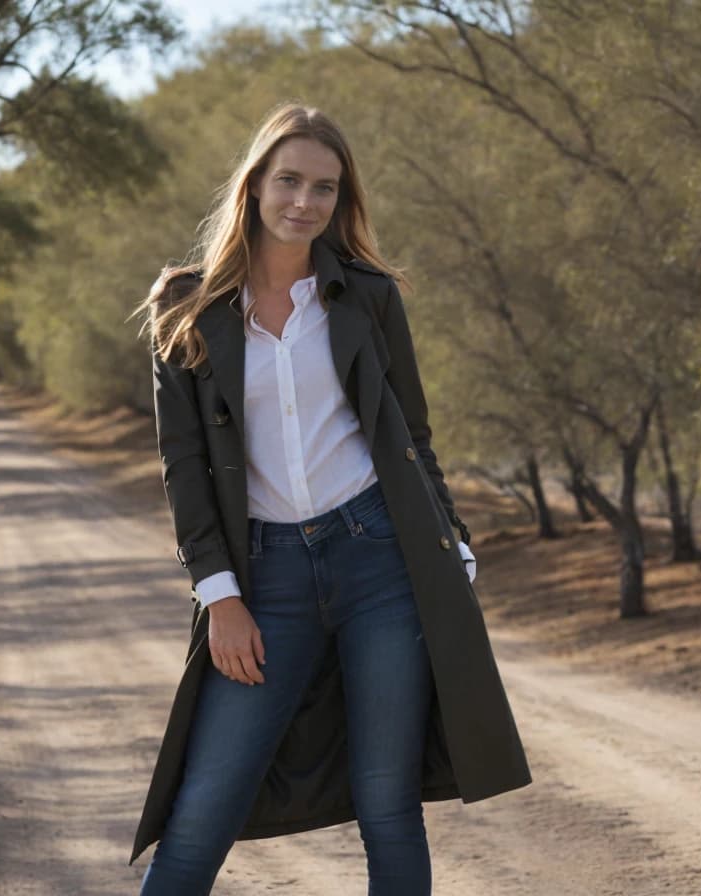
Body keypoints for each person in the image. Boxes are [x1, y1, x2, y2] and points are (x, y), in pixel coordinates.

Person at [131, 103, 531, 895]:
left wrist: (450, 539)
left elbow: (412, 434)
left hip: (382, 558)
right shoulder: (188, 307)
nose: (303, 202)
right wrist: (221, 596)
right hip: (265, 578)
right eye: (288, 181)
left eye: (324, 187)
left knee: (389, 806)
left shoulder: (370, 296)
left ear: (341, 200)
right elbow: (183, 467)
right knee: (202, 811)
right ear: (253, 186)